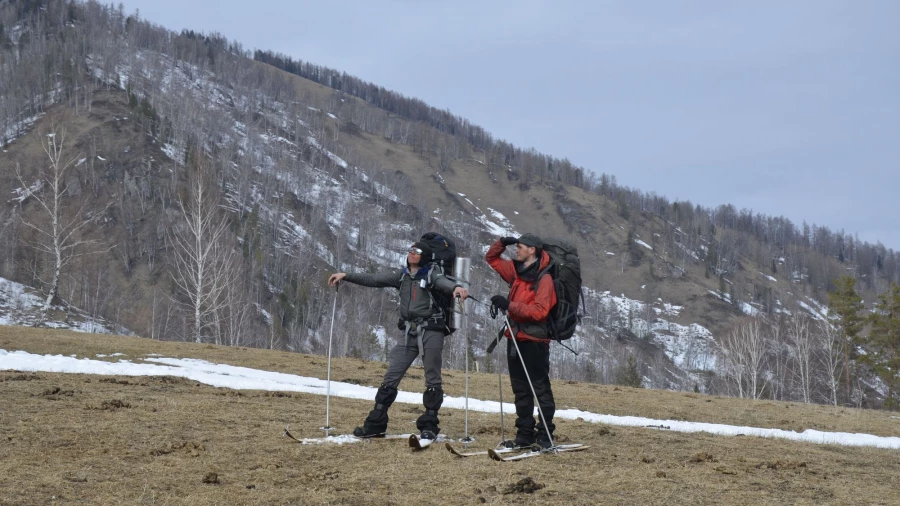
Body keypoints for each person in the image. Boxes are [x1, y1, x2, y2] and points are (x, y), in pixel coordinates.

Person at [328, 240, 467, 440]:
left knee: (432, 380)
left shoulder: (431, 275)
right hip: (409, 332)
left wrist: (456, 288)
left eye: (417, 251)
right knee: (391, 377)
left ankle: (429, 425)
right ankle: (376, 424)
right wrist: (346, 276)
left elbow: (443, 283)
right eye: (410, 250)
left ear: (425, 256)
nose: (412, 253)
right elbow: (374, 279)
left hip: (431, 331)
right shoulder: (401, 275)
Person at [485, 233, 557, 448]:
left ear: (532, 249)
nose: (516, 250)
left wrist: (509, 306)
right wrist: (501, 244)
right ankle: (524, 434)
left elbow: (540, 311)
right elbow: (492, 259)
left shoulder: (545, 279)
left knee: (539, 388)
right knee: (520, 389)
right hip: (514, 338)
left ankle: (545, 435)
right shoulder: (517, 272)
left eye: (520, 247)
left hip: (535, 341)